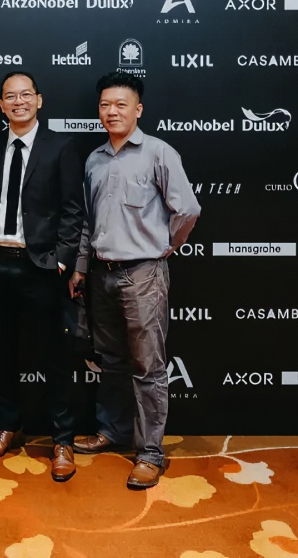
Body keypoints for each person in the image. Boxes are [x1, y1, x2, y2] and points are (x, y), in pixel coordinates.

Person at [68, 71, 201, 490]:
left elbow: (188, 210)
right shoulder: (94, 159)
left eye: (121, 104)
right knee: (110, 360)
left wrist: (165, 247)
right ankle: (111, 431)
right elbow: (88, 222)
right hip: (101, 275)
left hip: (143, 274)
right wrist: (81, 267)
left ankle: (149, 453)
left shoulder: (159, 153)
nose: (112, 111)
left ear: (138, 109)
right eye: (105, 105)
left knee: (148, 366)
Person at [0, 71, 84, 482]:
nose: (19, 102)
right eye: (10, 97)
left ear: (39, 100)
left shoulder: (60, 146)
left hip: (42, 267)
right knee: (1, 352)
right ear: (1, 105)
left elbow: (73, 209)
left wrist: (62, 260)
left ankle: (62, 440)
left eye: (25, 95)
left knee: (54, 356)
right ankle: (7, 426)